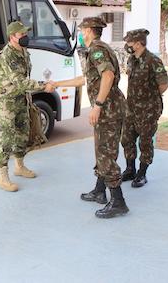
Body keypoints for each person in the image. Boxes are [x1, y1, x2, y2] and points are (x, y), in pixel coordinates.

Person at [52, 17, 129, 218]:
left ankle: (118, 202)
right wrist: (58, 84)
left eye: (82, 29)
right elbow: (85, 79)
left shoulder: (97, 49)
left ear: (87, 30)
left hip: (108, 110)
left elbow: (108, 76)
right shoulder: (97, 48)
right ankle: (99, 191)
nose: (80, 32)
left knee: (105, 152)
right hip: (109, 108)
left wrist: (98, 106)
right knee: (102, 151)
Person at [0, 21, 54, 192]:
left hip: (21, 99)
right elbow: (19, 82)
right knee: (5, 138)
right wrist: (43, 86)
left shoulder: (24, 52)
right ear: (12, 37)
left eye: (25, 34)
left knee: (22, 133)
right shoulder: (6, 56)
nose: (25, 37)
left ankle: (19, 166)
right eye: (22, 35)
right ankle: (2, 176)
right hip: (6, 102)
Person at [120, 29, 168, 187]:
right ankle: (130, 169)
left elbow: (164, 84)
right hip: (131, 108)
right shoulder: (131, 59)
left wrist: (150, 98)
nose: (127, 45)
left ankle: (142, 173)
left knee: (145, 142)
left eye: (129, 42)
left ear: (139, 43)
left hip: (147, 110)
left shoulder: (153, 61)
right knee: (127, 139)